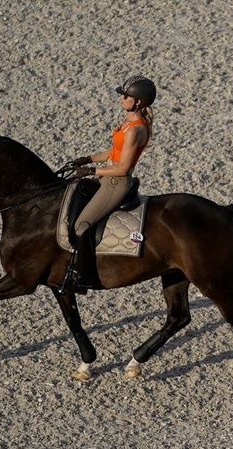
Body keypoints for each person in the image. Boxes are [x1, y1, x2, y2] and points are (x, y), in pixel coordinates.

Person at [60, 75, 156, 293]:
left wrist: (92, 171)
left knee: (82, 225)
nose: (122, 98)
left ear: (138, 101)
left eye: (126, 96)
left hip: (116, 183)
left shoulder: (135, 129)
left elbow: (123, 168)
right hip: (106, 177)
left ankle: (84, 278)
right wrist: (87, 159)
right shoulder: (127, 122)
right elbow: (112, 152)